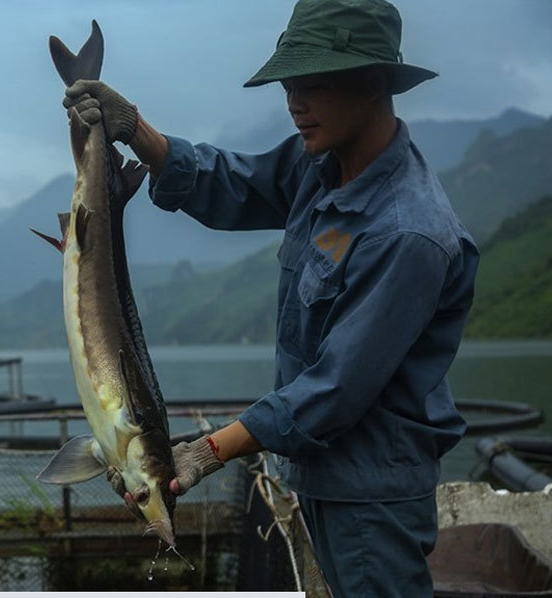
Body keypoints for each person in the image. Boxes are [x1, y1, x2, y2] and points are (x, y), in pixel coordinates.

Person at [63, 0, 479, 595]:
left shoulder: (407, 233)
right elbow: (232, 184)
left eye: (310, 85)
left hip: (372, 499)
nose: (293, 104)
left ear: (372, 82)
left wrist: (206, 452)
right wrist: (133, 128)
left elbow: (335, 389)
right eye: (288, 86)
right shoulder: (322, 164)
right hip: (319, 479)